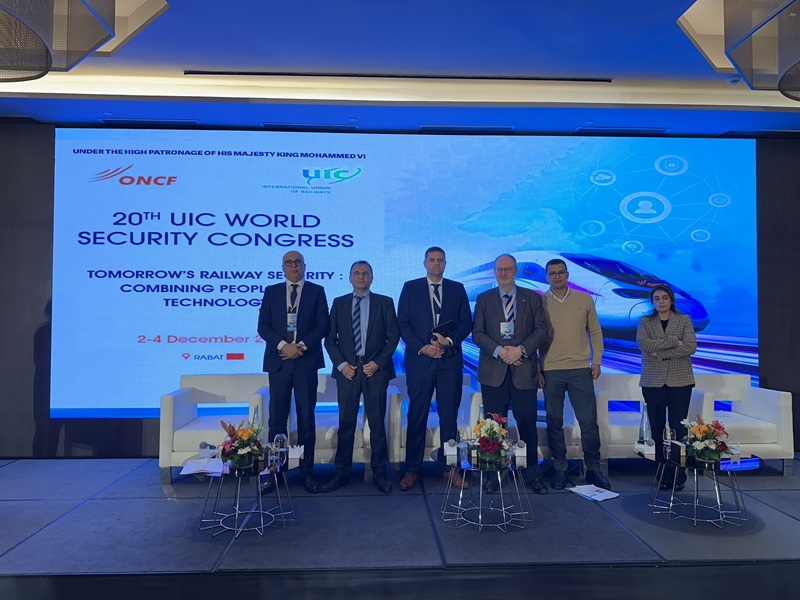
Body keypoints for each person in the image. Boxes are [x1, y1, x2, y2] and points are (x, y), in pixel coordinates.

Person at [397, 246, 473, 491]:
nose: (436, 263)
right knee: (416, 416)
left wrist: (448, 341)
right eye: (432, 260)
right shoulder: (410, 288)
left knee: (449, 417)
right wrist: (423, 348)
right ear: (425, 263)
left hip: (449, 362)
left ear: (445, 264)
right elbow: (403, 324)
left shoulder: (457, 289)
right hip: (420, 362)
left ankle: (450, 468)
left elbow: (466, 322)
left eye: (440, 260)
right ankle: (412, 470)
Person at [472, 254, 548, 494]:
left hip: (523, 370)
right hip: (493, 372)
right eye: (499, 269)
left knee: (527, 423)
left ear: (516, 270)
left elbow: (541, 330)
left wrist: (520, 350)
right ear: (494, 272)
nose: (503, 273)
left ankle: (531, 474)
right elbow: (478, 333)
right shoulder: (484, 299)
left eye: (508, 269)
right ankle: (493, 474)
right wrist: (500, 352)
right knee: (493, 427)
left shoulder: (532, 298)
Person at [322, 261, 400, 493]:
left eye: (365, 273)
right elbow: (330, 340)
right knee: (346, 423)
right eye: (356, 273)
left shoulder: (385, 302)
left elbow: (393, 337)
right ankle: (342, 473)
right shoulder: (339, 303)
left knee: (377, 424)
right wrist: (342, 365)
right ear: (350, 278)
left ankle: (379, 473)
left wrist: (378, 363)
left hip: (375, 369)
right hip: (348, 371)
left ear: (372, 277)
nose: (361, 277)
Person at [257, 250, 329, 493]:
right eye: (289, 262)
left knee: (306, 419)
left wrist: (301, 346)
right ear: (283, 267)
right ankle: (275, 473)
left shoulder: (317, 291)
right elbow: (263, 326)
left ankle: (307, 473)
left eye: (298, 262)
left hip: (305, 362)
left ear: (304, 266)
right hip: (279, 362)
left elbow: (323, 325)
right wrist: (283, 346)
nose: (294, 266)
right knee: (277, 420)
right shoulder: (272, 292)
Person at [539, 258, 611, 491]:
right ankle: (560, 468)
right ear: (546, 277)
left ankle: (593, 468)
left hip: (581, 369)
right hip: (551, 369)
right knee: (554, 422)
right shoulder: (539, 302)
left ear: (568, 275)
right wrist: (538, 369)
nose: (557, 276)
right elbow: (534, 337)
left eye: (561, 272)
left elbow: (595, 331)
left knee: (588, 421)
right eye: (552, 273)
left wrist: (597, 360)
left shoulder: (584, 299)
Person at [637, 283, 697, 491]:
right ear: (652, 302)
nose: (661, 302)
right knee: (657, 428)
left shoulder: (684, 320)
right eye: (657, 298)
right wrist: (674, 341)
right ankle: (663, 474)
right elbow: (645, 345)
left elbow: (690, 347)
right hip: (653, 381)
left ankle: (679, 475)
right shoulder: (645, 322)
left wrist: (661, 354)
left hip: (680, 380)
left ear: (671, 300)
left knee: (678, 428)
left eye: (664, 298)